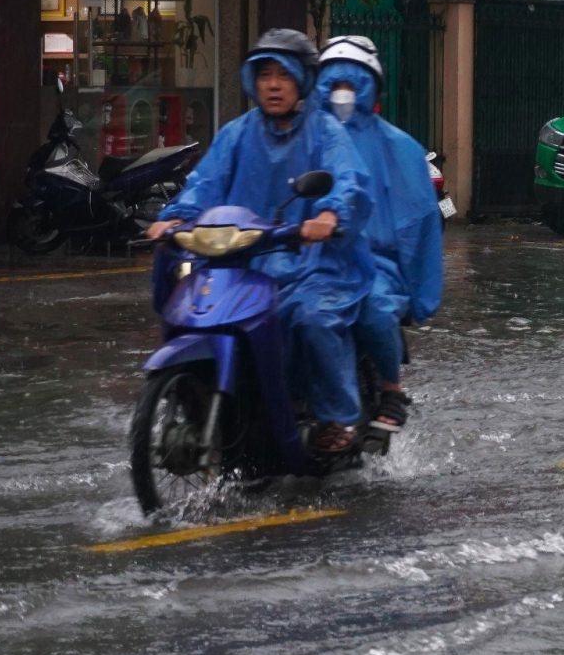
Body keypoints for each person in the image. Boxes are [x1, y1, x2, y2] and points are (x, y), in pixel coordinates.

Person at [146, 30, 374, 454]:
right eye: (264, 74)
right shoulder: (236, 134)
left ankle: (337, 417)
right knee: (193, 307)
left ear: (302, 81)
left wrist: (328, 215)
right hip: (241, 261)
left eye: (283, 76)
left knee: (310, 318)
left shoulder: (326, 131)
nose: (272, 84)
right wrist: (175, 217)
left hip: (316, 261)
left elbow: (349, 181)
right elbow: (205, 183)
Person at [313, 35, 443, 433]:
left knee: (374, 311)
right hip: (304, 256)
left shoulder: (398, 146)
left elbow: (418, 220)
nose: (342, 95)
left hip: (372, 262)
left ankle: (391, 388)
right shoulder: (297, 135)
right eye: (334, 85)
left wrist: (417, 291)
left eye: (351, 85)